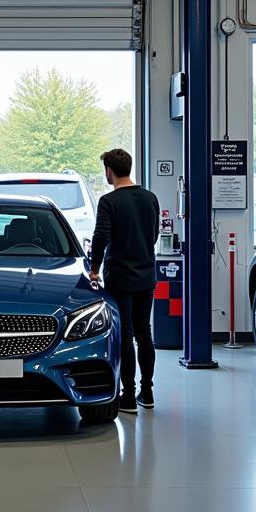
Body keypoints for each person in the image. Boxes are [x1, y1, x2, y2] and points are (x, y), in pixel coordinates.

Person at [89, 149, 160, 414]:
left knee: (126, 335)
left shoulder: (109, 202)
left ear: (109, 170)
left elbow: (100, 237)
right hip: (146, 275)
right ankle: (148, 391)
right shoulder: (150, 198)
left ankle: (128, 397)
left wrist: (95, 268)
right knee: (145, 333)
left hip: (119, 276)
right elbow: (153, 235)